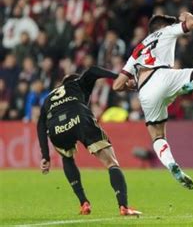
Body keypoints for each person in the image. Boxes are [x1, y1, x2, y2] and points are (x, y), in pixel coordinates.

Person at [113, 12, 193, 190]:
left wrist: (134, 85)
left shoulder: (137, 50)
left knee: (157, 134)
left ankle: (171, 164)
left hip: (145, 91)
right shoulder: (166, 31)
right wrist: (185, 15)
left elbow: (117, 85)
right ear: (162, 26)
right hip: (164, 76)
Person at [37, 66, 141, 216]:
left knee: (67, 157)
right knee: (111, 163)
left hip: (55, 127)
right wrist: (121, 77)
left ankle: (83, 202)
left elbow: (40, 125)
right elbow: (92, 71)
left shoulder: (48, 98)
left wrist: (45, 156)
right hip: (78, 115)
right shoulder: (77, 83)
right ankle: (123, 206)